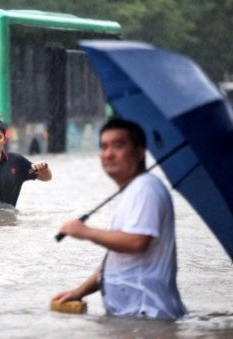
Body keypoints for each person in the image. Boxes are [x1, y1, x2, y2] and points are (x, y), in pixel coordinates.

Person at [51, 118, 186, 319]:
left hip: (147, 317)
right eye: (104, 147)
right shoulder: (134, 190)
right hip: (131, 318)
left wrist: (85, 232)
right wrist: (80, 291)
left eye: (118, 145)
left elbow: (137, 242)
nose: (108, 154)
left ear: (140, 152)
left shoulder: (145, 189)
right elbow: (120, 260)